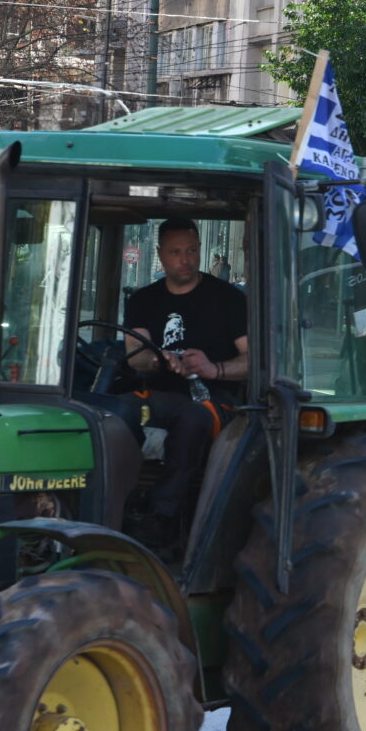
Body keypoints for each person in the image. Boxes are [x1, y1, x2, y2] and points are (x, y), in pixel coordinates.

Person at [120, 216, 249, 550]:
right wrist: (158, 358)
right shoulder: (144, 300)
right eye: (176, 252)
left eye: (192, 250)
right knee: (117, 411)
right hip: (157, 395)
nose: (185, 259)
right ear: (161, 255)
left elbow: (252, 361)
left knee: (191, 419)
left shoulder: (229, 299)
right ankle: (118, 504)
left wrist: (213, 369)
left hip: (213, 400)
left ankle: (162, 519)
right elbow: (136, 356)